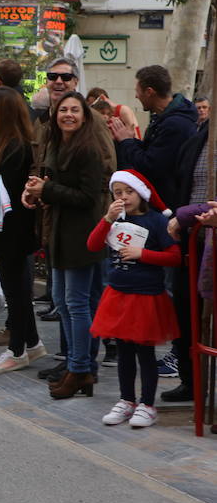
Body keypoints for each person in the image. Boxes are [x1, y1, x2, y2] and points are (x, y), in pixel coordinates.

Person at [23, 92, 106, 398]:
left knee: (77, 303)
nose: (68, 115)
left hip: (82, 236)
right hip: (59, 233)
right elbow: (50, 185)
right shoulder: (57, 145)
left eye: (74, 110)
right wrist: (36, 190)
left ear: (84, 116)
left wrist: (49, 189)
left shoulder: (89, 149)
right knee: (62, 300)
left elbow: (88, 198)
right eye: (63, 110)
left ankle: (81, 370)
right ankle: (76, 366)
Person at [88, 170, 180, 427]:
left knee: (145, 352)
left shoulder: (157, 222)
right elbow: (93, 245)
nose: (124, 197)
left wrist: (143, 254)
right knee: (124, 351)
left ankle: (147, 404)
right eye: (118, 193)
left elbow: (174, 256)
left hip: (146, 296)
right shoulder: (115, 220)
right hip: (118, 294)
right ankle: (126, 400)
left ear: (141, 193)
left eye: (129, 192)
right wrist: (107, 218)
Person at [0, 86, 47, 375]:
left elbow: (6, 186)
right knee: (17, 288)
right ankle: (30, 342)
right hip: (11, 228)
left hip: (13, 229)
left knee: (16, 290)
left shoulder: (15, 146)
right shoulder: (11, 142)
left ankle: (17, 349)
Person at [109, 65, 197, 212]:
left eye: (137, 91)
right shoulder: (165, 120)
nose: (136, 96)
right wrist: (129, 140)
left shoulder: (175, 125)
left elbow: (151, 166)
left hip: (168, 208)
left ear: (149, 92)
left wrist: (127, 141)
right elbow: (153, 153)